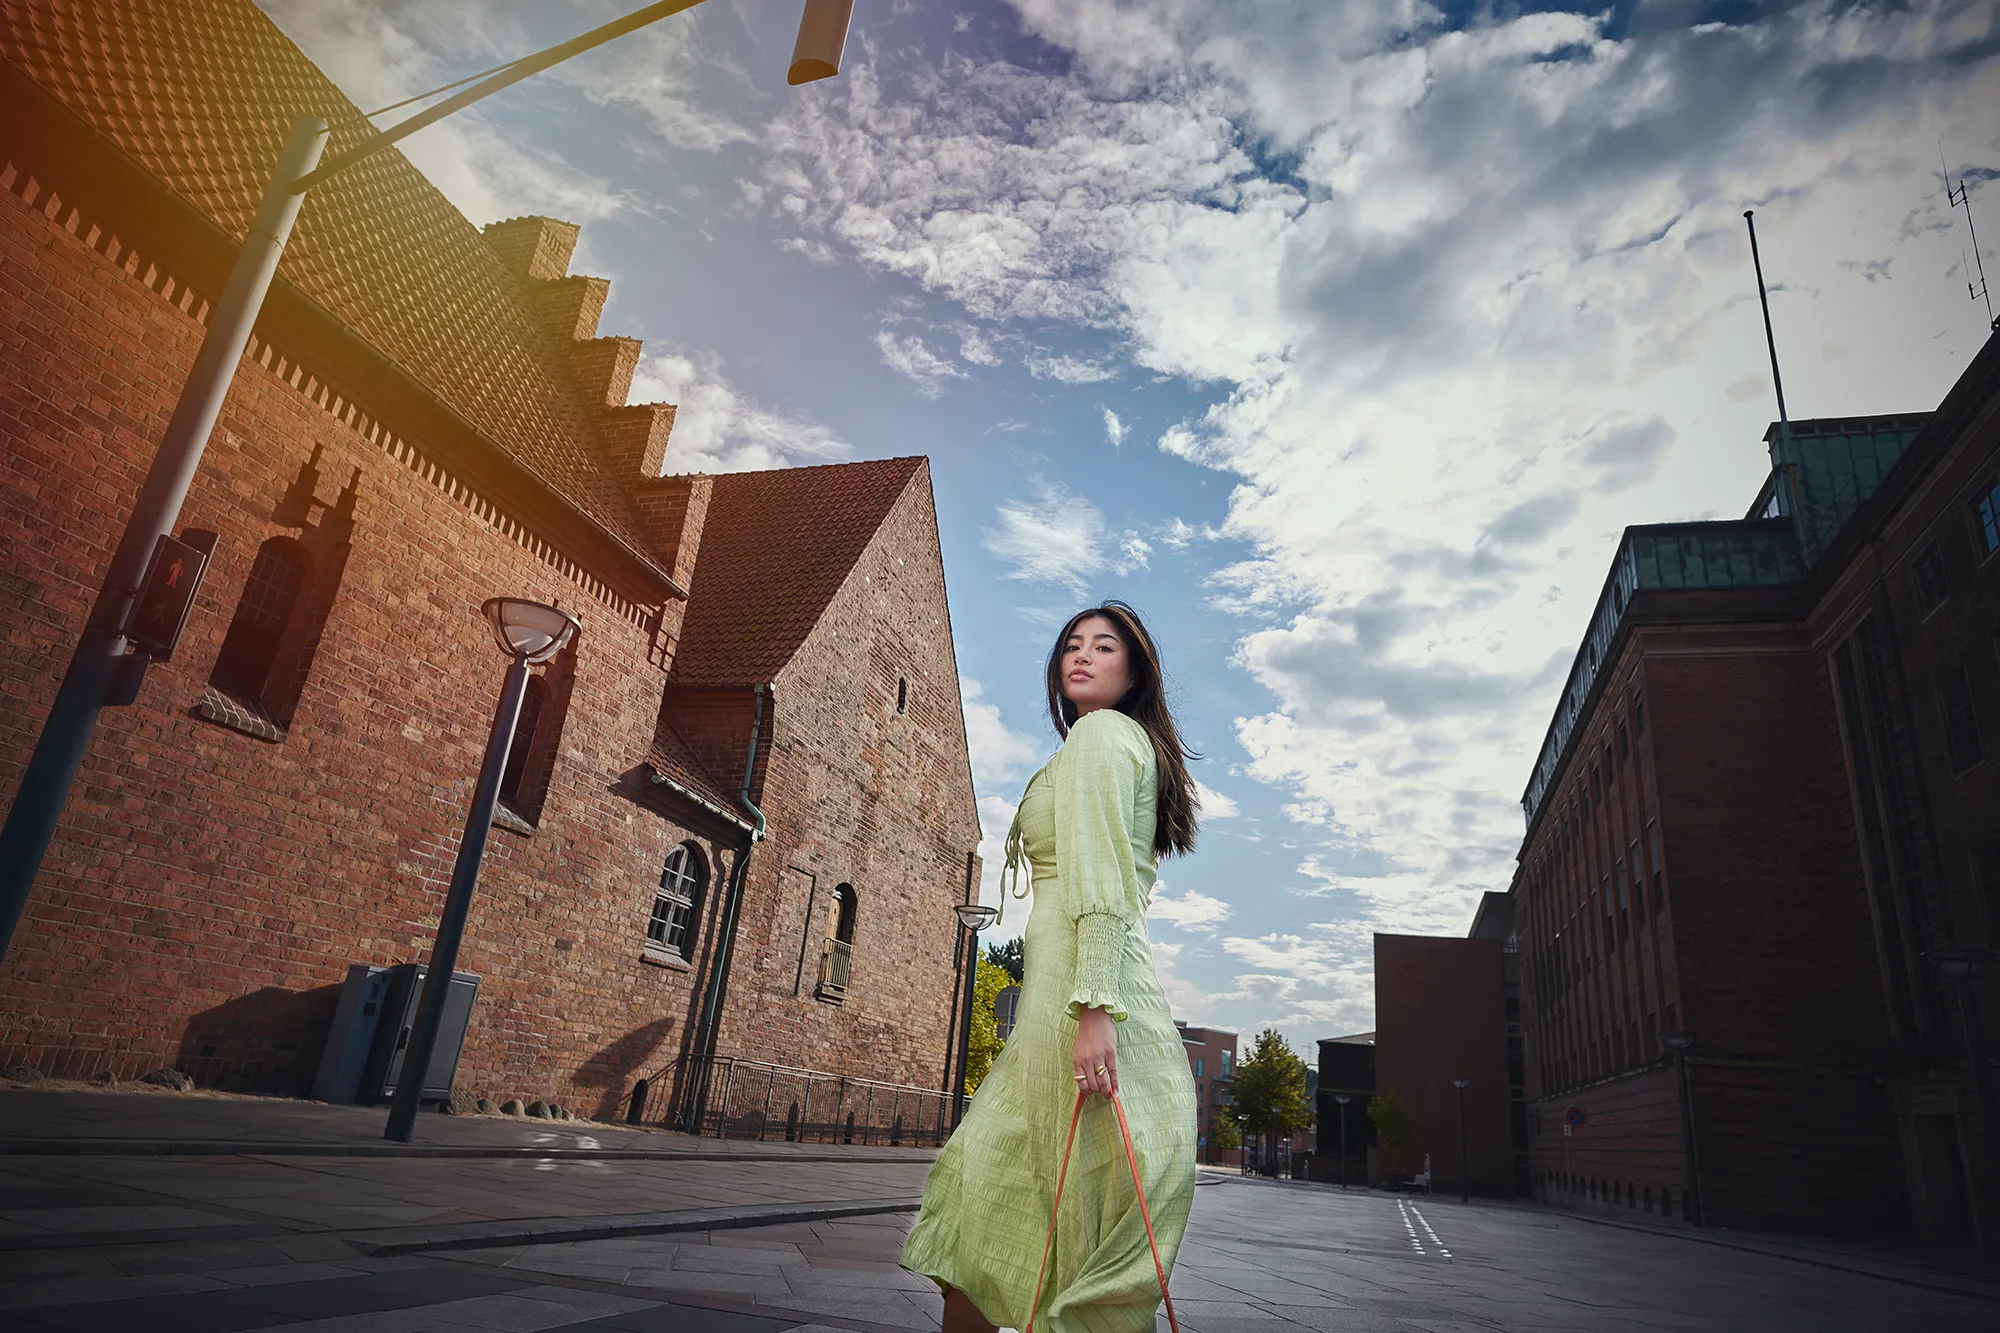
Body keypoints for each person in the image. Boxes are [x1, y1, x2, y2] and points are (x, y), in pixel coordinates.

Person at [902, 601, 1201, 1332]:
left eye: (1104, 646)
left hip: (1087, 992)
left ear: (1133, 672)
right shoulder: (1092, 746)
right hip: (1056, 996)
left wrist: (1094, 1006)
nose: (1082, 655)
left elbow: (1102, 878)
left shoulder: (1104, 735)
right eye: (1073, 644)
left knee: (1058, 1201)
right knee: (989, 1190)